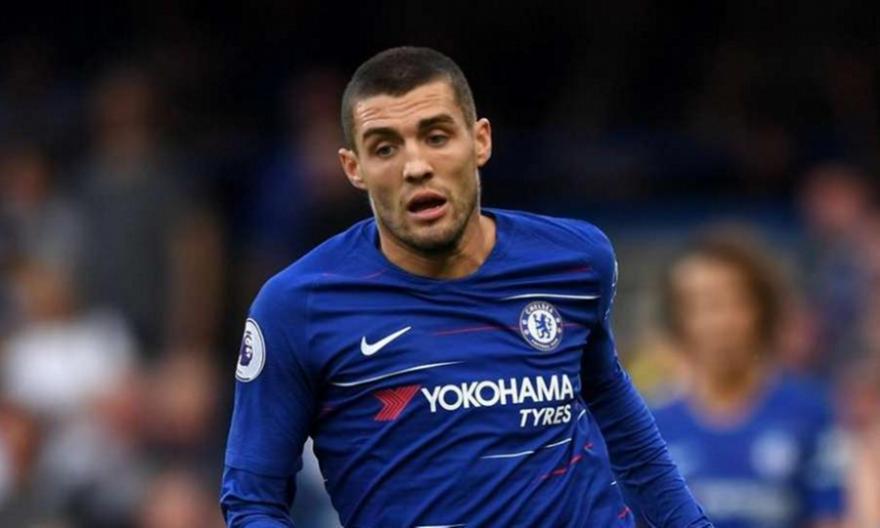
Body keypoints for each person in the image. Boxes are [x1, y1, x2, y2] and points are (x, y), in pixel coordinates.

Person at [221, 46, 711, 527]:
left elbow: (619, 421)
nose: (416, 166)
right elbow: (252, 502)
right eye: (385, 148)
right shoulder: (298, 307)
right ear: (355, 168)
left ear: (480, 141)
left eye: (436, 136)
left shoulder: (576, 261)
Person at [651, 229, 845, 528]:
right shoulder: (651, 428)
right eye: (700, 305)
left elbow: (830, 518)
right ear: (678, 319)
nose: (719, 322)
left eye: (733, 302)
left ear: (761, 310)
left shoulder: (808, 414)